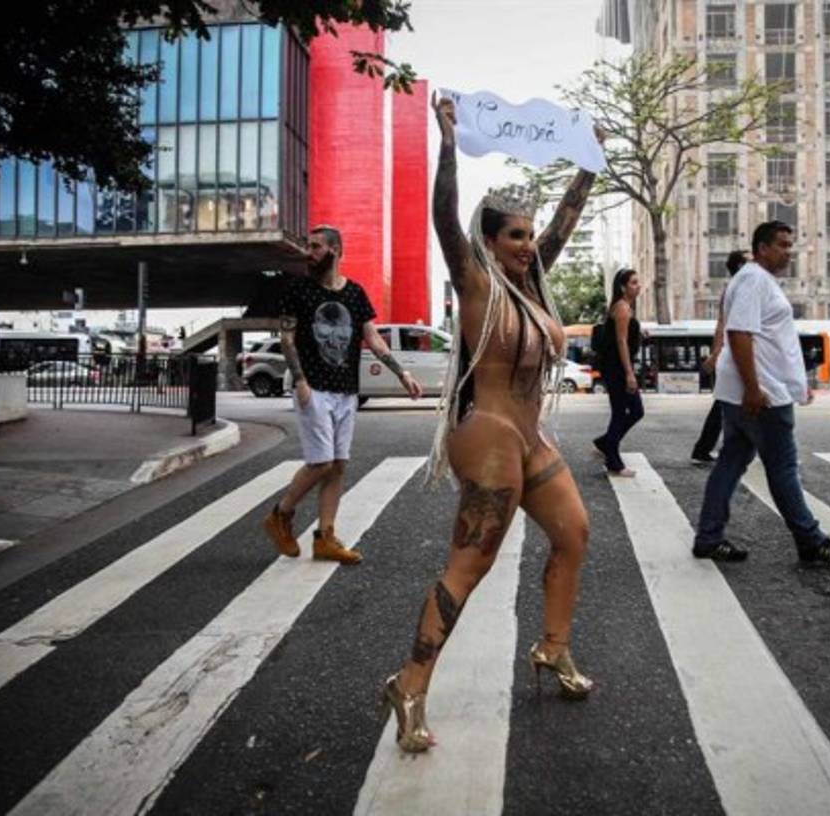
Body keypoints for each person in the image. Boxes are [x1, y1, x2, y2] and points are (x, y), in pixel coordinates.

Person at [377, 93, 601, 754]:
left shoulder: (532, 285)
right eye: (516, 235)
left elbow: (563, 220)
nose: (530, 246)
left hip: (529, 438)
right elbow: (445, 216)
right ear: (490, 240)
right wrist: (447, 145)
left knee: (575, 534)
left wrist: (588, 164)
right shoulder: (476, 281)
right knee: (467, 568)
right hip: (488, 438)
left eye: (531, 236)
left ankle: (552, 649)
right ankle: (409, 684)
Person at [691, 222, 830, 565]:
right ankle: (811, 541)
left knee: (731, 462)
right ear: (762, 248)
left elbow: (768, 339)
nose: (788, 251)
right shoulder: (753, 279)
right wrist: (754, 389)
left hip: (750, 391)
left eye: (790, 244)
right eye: (782, 244)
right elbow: (739, 334)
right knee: (782, 467)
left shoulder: (755, 280)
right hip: (761, 394)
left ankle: (708, 537)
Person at [262, 224, 424, 565]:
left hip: (346, 390)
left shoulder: (355, 294)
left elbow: (373, 338)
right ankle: (281, 514)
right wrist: (300, 379)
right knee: (320, 462)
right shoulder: (298, 291)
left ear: (335, 250)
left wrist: (402, 372)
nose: (310, 252)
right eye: (309, 246)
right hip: (314, 387)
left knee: (338, 466)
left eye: (316, 246)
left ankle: (326, 537)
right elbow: (287, 339)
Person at [690, 250, 749, 465]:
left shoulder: (746, 288)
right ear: (741, 267)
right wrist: (716, 354)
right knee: (727, 405)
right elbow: (722, 325)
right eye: (750, 261)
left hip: (740, 355)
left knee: (727, 405)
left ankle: (705, 448)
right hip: (735, 356)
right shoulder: (735, 290)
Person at [592, 268, 644, 477]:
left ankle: (606, 442)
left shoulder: (624, 308)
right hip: (617, 369)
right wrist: (629, 374)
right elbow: (621, 342)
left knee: (631, 411)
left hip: (617, 367)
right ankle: (612, 459)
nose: (638, 285)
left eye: (637, 282)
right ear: (622, 287)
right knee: (624, 412)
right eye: (633, 282)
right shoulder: (622, 308)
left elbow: (624, 338)